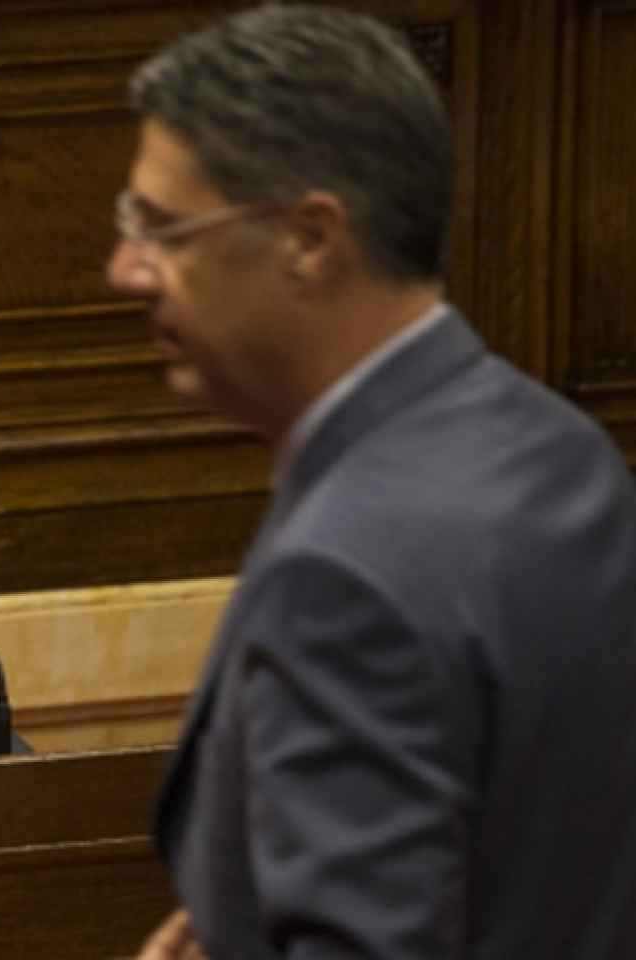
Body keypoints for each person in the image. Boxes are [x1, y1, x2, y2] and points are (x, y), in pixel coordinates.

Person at [107, 6, 636, 958]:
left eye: (163, 229)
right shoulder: (564, 450)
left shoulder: (343, 580)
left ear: (310, 237)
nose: (124, 270)